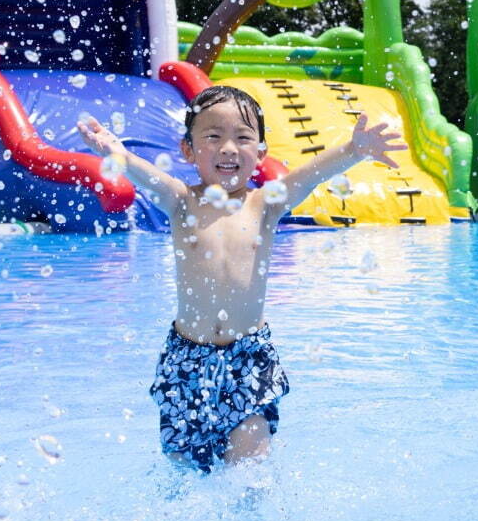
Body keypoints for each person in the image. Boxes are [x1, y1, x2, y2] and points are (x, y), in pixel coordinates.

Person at [77, 85, 405, 472]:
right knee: (185, 466)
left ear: (261, 152)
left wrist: (353, 150)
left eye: (243, 138)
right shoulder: (182, 200)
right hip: (187, 357)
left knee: (249, 464)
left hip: (249, 356)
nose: (229, 148)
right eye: (213, 137)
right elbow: (147, 178)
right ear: (188, 150)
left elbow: (309, 176)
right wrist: (119, 154)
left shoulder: (264, 204)